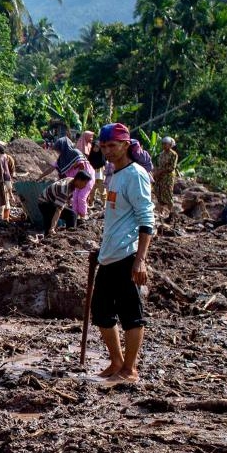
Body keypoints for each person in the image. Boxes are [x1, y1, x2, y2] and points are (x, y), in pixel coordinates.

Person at [91, 123, 155, 385]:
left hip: (128, 256)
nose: (107, 151)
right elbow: (117, 218)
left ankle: (130, 368)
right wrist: (102, 248)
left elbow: (146, 219)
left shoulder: (135, 175)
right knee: (102, 311)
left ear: (126, 145)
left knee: (131, 314)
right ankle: (116, 361)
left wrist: (140, 260)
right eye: (103, 146)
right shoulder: (115, 174)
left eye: (112, 146)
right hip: (110, 255)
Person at [40, 137, 95, 224]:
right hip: (76, 180)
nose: (58, 151)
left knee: (81, 198)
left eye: (59, 149)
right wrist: (40, 177)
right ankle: (75, 218)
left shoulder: (75, 153)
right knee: (74, 198)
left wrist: (75, 167)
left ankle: (83, 217)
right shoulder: (62, 159)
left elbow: (82, 167)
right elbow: (51, 169)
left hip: (85, 178)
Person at [153, 137, 179, 219]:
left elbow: (172, 167)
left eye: (165, 144)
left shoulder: (173, 154)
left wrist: (161, 171)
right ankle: (161, 213)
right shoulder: (161, 154)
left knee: (168, 193)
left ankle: (171, 214)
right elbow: (158, 165)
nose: (164, 145)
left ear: (170, 145)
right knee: (159, 193)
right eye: (163, 144)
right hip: (160, 177)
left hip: (168, 177)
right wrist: (156, 172)